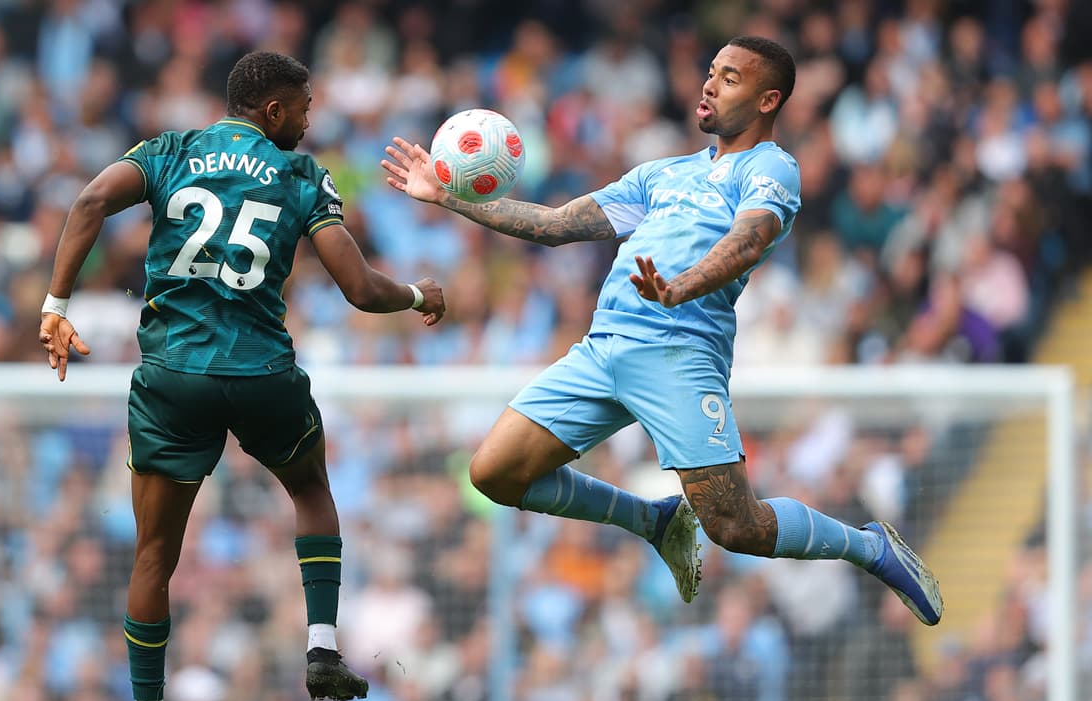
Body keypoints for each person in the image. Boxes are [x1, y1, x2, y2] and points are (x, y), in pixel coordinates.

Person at [382, 36, 941, 624]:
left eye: (730, 77)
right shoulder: (661, 174)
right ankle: (652, 520)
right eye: (710, 72)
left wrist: (682, 287)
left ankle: (871, 547)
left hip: (679, 352)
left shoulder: (771, 167)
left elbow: (747, 240)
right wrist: (446, 197)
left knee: (735, 526)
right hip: (602, 349)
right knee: (492, 473)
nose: (709, 84)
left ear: (769, 99)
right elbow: (553, 224)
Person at [39, 51, 446, 701]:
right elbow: (357, 287)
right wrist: (419, 295)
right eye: (303, 104)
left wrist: (56, 305)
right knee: (313, 492)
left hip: (173, 379)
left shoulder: (172, 150)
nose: (310, 116)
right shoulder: (301, 175)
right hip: (261, 374)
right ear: (271, 110)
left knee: (154, 555)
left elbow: (90, 202)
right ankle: (322, 647)